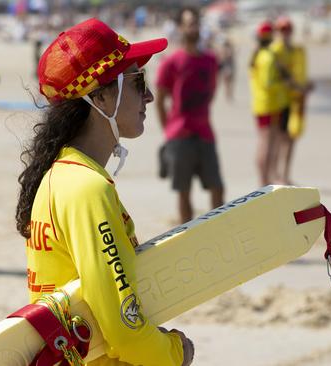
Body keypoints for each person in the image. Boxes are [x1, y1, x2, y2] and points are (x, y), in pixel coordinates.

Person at [16, 18, 194, 366]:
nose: (150, 96)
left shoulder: (62, 173)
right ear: (98, 96)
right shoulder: (86, 189)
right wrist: (173, 354)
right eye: (137, 82)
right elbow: (123, 328)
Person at [155, 7, 224, 224]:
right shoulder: (171, 62)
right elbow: (160, 100)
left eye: (195, 22)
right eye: (188, 23)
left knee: (217, 187)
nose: (192, 27)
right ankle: (188, 232)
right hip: (179, 133)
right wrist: (168, 130)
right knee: (184, 191)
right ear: (181, 28)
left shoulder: (210, 60)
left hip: (204, 131)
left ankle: (218, 230)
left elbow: (211, 91)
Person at [270, 16, 314, 185]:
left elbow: (299, 74)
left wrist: (304, 86)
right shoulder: (275, 51)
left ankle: (285, 174)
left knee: (291, 138)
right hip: (279, 101)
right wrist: (297, 86)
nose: (285, 33)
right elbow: (279, 77)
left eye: (287, 29)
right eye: (282, 29)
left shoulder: (297, 51)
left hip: (295, 101)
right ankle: (275, 174)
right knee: (279, 139)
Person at [248, 21, 285, 186]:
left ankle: (265, 178)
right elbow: (268, 83)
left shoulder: (256, 55)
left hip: (259, 103)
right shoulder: (267, 57)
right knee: (268, 144)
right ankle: (264, 179)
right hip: (269, 104)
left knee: (265, 142)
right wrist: (284, 83)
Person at [219, 39, 236, 103]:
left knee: (229, 82)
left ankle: (229, 95)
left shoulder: (227, 49)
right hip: (227, 67)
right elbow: (223, 58)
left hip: (229, 67)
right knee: (227, 82)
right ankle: (228, 95)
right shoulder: (225, 50)